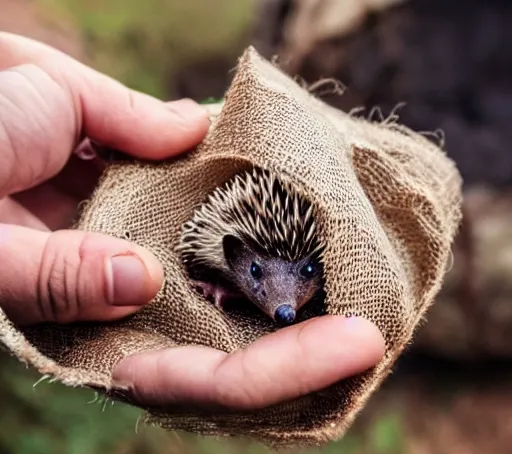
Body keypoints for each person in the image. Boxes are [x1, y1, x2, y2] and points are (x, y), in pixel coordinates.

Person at [0, 31, 384, 412]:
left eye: (305, 272)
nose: (285, 306)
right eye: (256, 272)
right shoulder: (210, 245)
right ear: (230, 253)